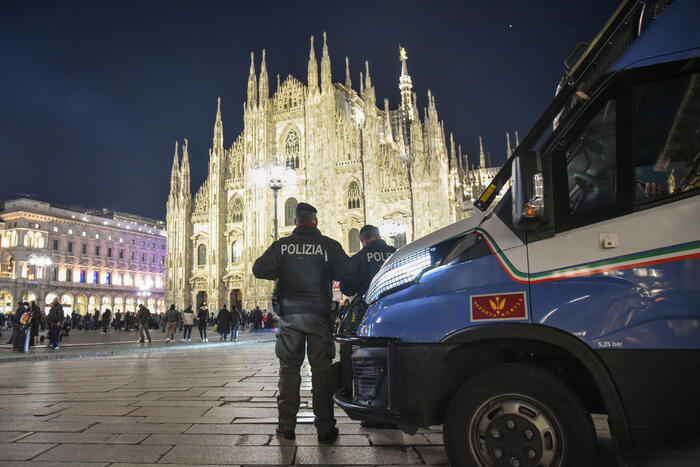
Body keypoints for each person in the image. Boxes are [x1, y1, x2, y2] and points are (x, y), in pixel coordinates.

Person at [253, 202, 350, 444]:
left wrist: (282, 266)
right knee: (322, 373)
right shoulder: (328, 246)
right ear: (315, 221)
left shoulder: (282, 246)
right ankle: (326, 429)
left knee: (289, 372)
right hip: (318, 316)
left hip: (290, 318)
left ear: (295, 222)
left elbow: (259, 269)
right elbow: (347, 272)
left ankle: (286, 428)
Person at [340, 224, 397, 429]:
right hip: (397, 312)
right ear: (379, 236)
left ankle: (372, 411)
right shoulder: (394, 253)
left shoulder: (359, 258)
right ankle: (396, 409)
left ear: (362, 240)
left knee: (370, 360)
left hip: (370, 315)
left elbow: (347, 287)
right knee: (395, 359)